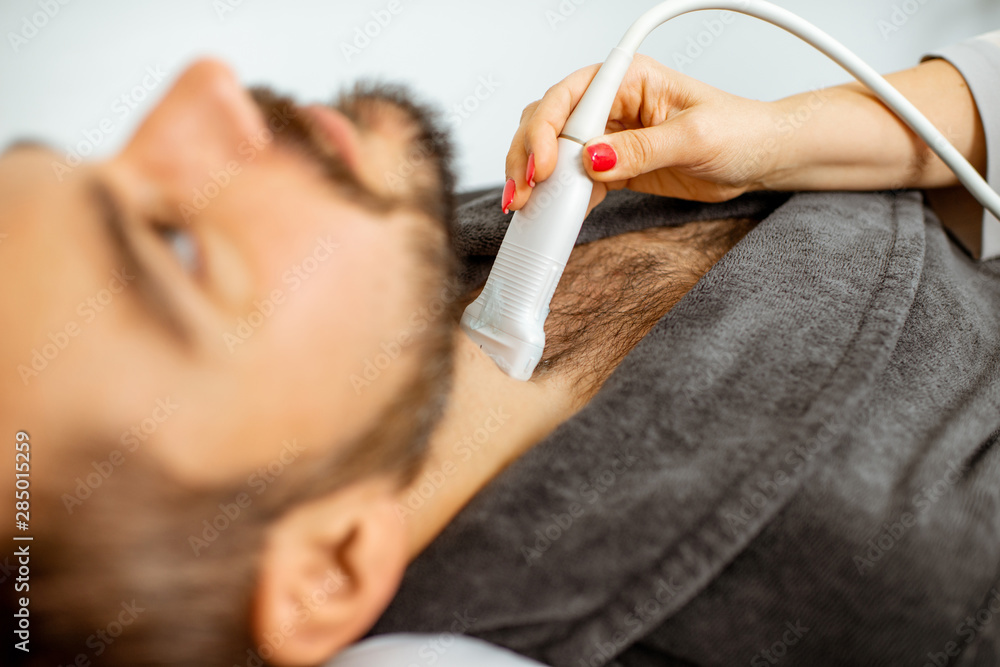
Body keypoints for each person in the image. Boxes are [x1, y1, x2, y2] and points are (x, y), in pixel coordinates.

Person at [1, 29, 997, 667]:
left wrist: (803, 134)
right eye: (172, 245)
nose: (203, 87)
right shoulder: (914, 583)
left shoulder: (425, 291)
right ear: (328, 568)